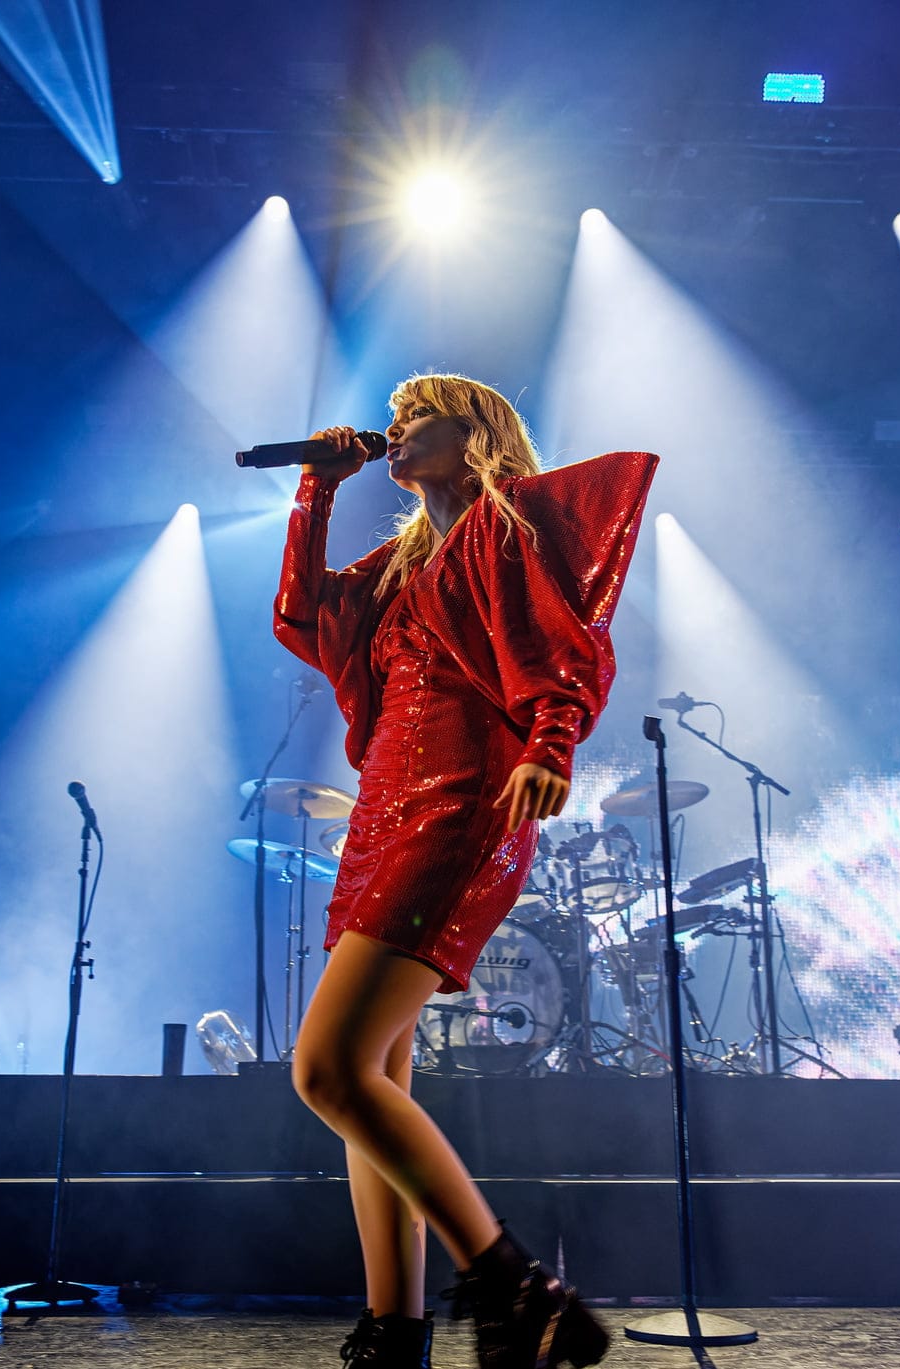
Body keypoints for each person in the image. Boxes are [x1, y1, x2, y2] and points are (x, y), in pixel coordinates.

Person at [274, 372, 655, 1369]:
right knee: (375, 1074)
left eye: (417, 418)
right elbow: (301, 615)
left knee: (328, 1068)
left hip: (462, 804)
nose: (394, 432)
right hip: (379, 819)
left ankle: (514, 1284)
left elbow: (564, 644)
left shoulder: (506, 530)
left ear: (476, 431)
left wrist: (552, 740)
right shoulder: (398, 567)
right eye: (390, 422)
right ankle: (394, 1326)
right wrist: (315, 489)